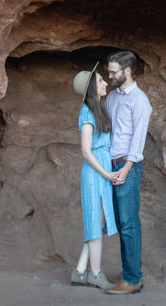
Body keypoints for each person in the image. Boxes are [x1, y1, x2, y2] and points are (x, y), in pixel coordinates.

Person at [103, 50, 152, 295]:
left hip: (127, 167)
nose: (110, 76)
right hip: (111, 165)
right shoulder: (112, 97)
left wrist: (126, 168)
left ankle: (133, 279)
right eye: (109, 72)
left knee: (129, 223)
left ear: (128, 71)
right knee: (118, 222)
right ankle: (129, 272)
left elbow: (138, 139)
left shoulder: (140, 100)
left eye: (114, 72)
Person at [70, 63, 118, 290]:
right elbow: (86, 151)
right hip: (95, 173)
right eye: (100, 80)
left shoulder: (98, 109)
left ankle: (80, 271)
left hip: (101, 169)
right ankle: (96, 274)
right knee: (95, 223)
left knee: (97, 223)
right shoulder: (87, 113)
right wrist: (106, 173)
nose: (105, 82)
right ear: (91, 87)